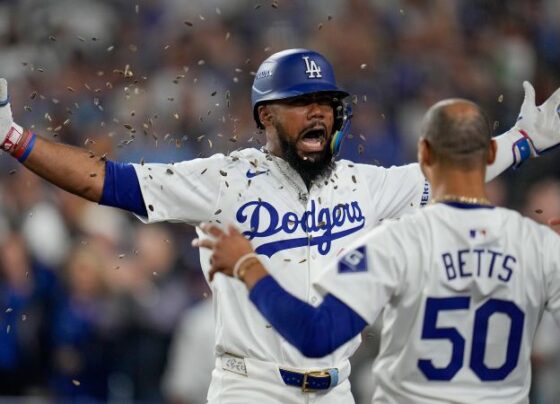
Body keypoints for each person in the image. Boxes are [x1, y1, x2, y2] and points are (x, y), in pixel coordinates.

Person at [1, 48, 560, 403]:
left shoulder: (362, 184)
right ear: (266, 114)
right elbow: (107, 181)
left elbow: (453, 169)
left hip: (337, 388)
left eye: (326, 102)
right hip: (252, 387)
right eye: (301, 102)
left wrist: (524, 140)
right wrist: (13, 138)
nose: (319, 111)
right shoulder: (224, 178)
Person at [198, 98, 560, 403]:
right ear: (490, 152)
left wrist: (248, 264)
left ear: (424, 153)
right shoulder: (540, 247)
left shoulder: (397, 247)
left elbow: (315, 336)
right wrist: (523, 141)